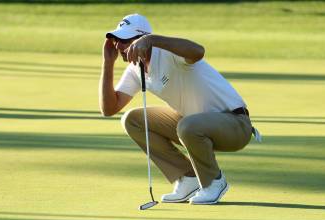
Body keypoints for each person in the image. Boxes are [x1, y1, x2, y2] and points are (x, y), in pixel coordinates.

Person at [99, 14, 261, 205]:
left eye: (124, 40)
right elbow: (109, 109)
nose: (119, 46)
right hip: (193, 124)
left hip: (235, 124)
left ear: (143, 39)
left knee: (187, 125)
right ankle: (187, 178)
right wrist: (108, 63)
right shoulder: (136, 69)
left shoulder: (167, 52)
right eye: (117, 40)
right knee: (132, 120)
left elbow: (198, 51)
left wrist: (153, 39)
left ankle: (213, 182)